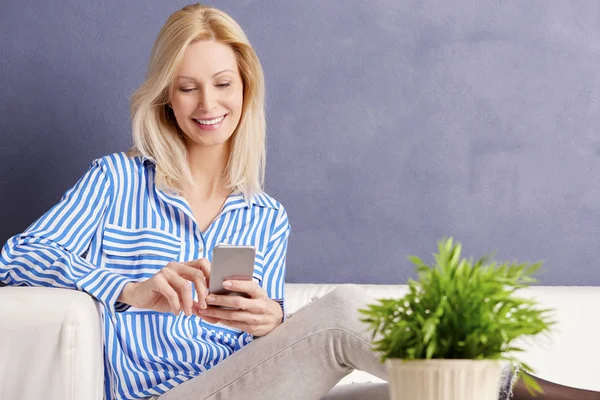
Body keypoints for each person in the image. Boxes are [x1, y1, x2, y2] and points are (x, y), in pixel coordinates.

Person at [0, 3, 597, 400]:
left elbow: (268, 356)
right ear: (166, 100)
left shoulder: (265, 215)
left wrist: (272, 323)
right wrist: (130, 290)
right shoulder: (117, 180)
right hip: (158, 394)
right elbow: (15, 260)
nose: (208, 104)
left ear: (245, 89)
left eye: (223, 84)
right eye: (187, 88)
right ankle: (527, 390)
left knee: (407, 390)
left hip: (246, 385)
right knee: (342, 313)